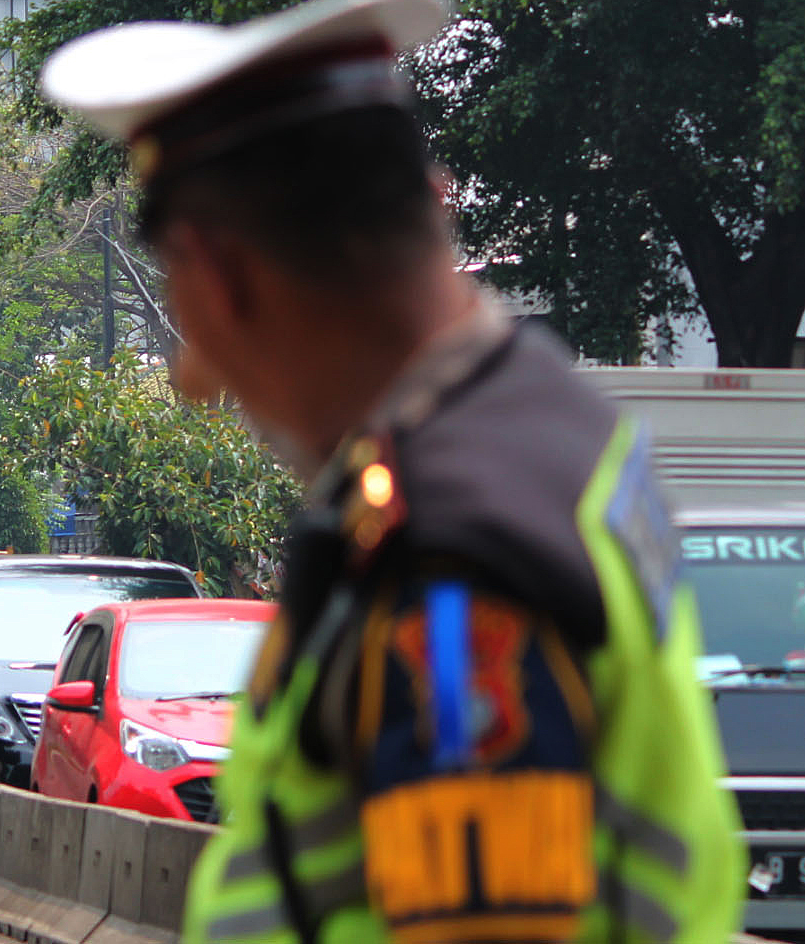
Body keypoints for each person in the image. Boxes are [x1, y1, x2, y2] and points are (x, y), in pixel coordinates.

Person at [41, 2, 741, 941]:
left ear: (221, 277)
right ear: (432, 200)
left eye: (183, 312)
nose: (194, 382)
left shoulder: (447, 566)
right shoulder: (555, 427)